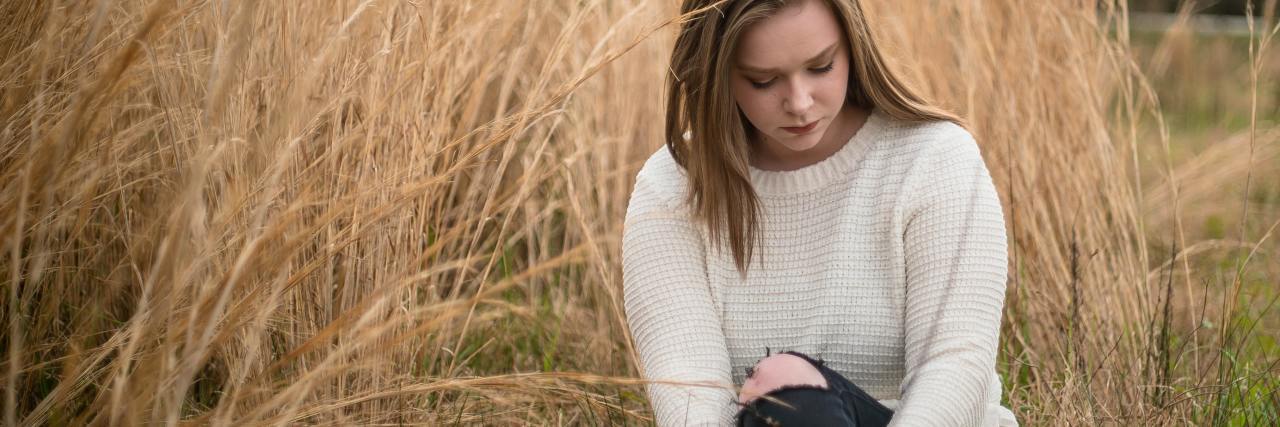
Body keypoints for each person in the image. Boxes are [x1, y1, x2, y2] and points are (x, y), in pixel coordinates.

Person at [620, 0, 1019, 425]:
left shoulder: (934, 160)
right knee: (787, 398)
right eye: (763, 80)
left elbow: (955, 369)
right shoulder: (671, 188)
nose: (800, 102)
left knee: (789, 390)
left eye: (821, 66)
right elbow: (691, 401)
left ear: (852, 45)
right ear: (716, 72)